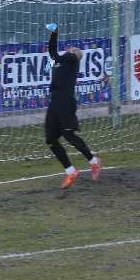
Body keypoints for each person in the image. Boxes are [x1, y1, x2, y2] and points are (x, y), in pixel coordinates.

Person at [45, 25, 102, 189]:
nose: (70, 49)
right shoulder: (60, 63)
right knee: (50, 140)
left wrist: (55, 32)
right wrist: (52, 35)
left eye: (72, 50)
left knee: (69, 135)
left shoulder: (72, 59)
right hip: (54, 104)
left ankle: (94, 161)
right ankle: (70, 171)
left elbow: (56, 54)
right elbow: (52, 54)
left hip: (65, 103)